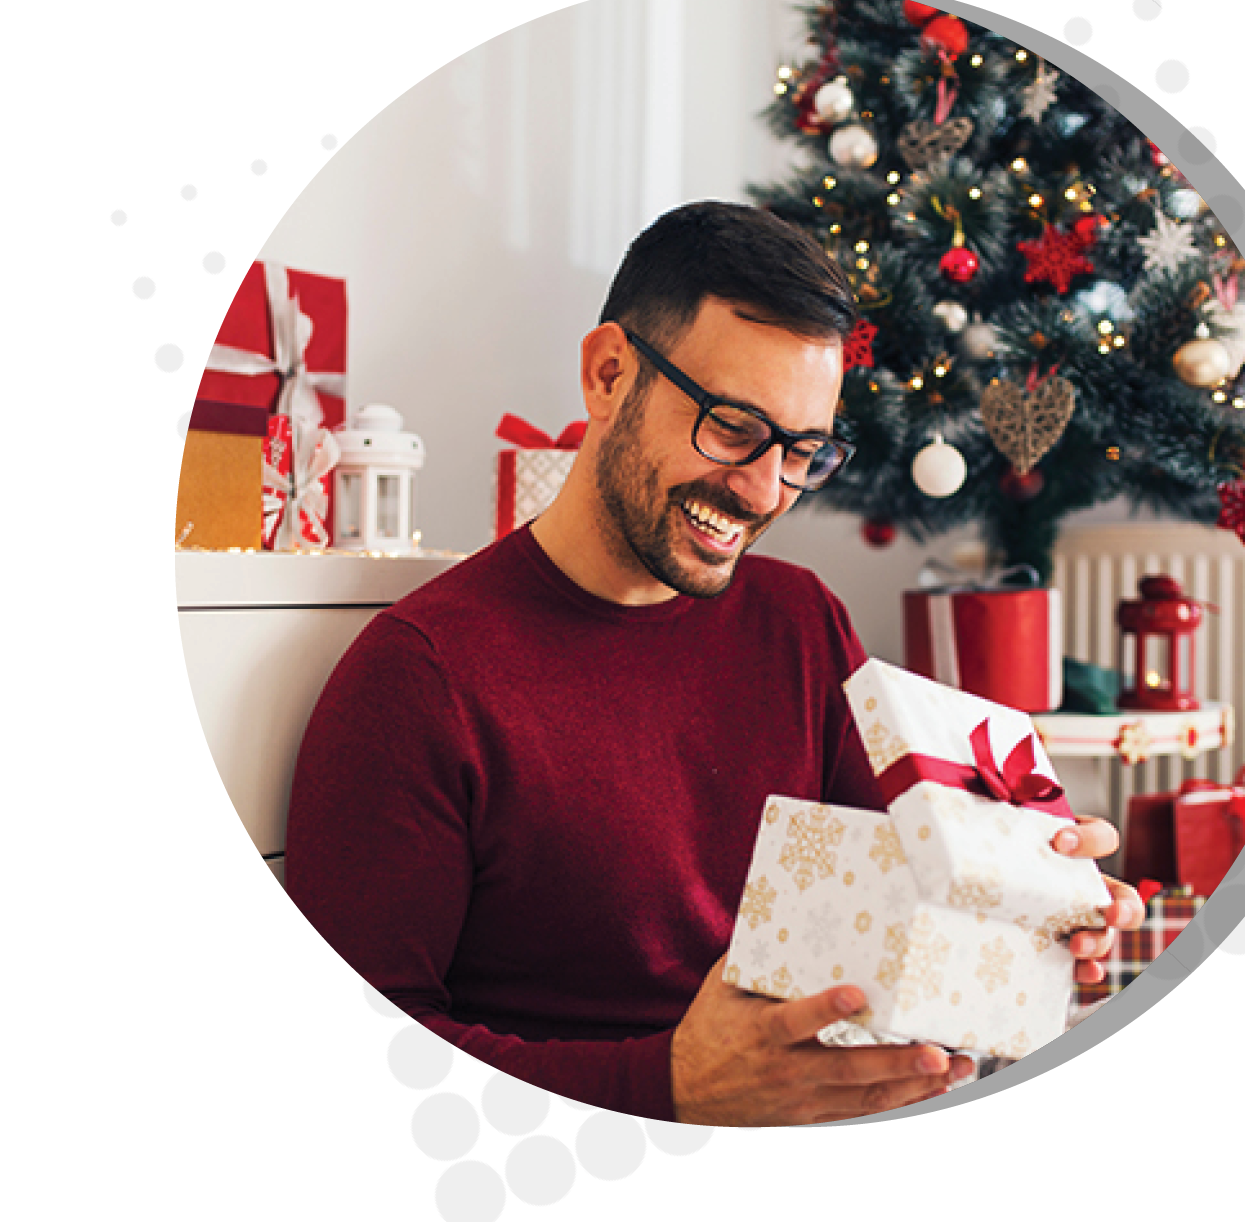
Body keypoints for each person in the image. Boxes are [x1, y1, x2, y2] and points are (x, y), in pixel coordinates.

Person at [286, 201, 1144, 1128]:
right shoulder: (420, 678)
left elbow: (910, 885)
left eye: (803, 451)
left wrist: (1035, 897)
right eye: (733, 428)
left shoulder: (799, 619)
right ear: (608, 373)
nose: (764, 488)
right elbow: (352, 1068)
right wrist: (668, 1084)